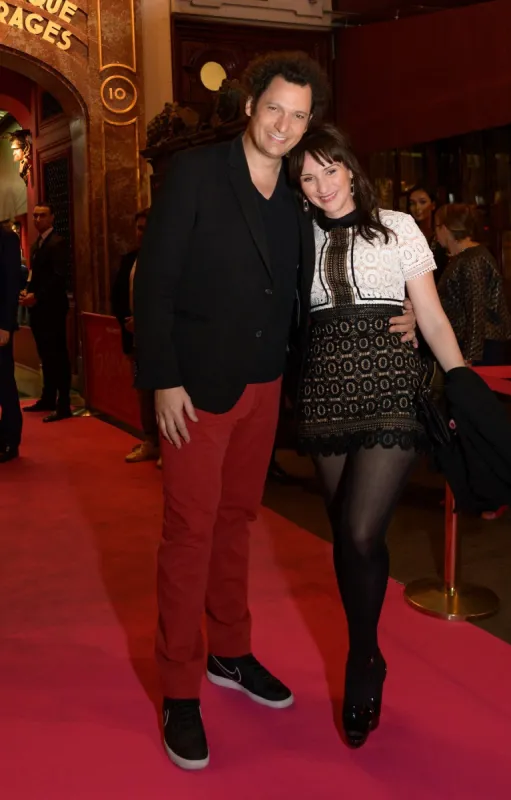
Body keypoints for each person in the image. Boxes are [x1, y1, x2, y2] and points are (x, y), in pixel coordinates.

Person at [135, 51, 417, 771]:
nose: (284, 126)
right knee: (189, 535)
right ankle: (179, 690)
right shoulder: (196, 173)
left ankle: (229, 651)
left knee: (236, 525)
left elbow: (350, 260)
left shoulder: (297, 197)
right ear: (250, 106)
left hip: (265, 386)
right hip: (196, 390)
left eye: (298, 116)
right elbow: (155, 281)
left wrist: (409, 310)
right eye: (274, 110)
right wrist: (163, 379)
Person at [287, 123, 465, 749]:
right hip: (325, 389)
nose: (322, 186)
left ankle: (361, 659)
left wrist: (462, 383)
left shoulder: (397, 226)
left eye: (330, 169)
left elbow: (432, 315)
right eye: (307, 177)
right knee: (346, 537)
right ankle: (368, 650)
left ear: (350, 166)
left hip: (390, 383)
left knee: (362, 531)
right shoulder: (298, 236)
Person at [435, 203, 511, 366]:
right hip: (473, 341)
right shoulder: (463, 257)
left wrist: (470, 356)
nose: (435, 233)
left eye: (436, 226)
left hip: (482, 345)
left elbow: (476, 308)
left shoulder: (473, 259)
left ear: (445, 228)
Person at [111, 209, 160, 464]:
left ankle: (169, 447)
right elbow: (117, 296)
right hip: (136, 341)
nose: (142, 234)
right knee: (143, 392)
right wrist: (126, 322)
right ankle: (150, 441)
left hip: (162, 342)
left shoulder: (168, 259)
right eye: (139, 228)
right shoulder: (130, 259)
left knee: (163, 392)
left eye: (147, 228)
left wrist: (146, 322)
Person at [21, 203, 72, 422]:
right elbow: (36, 275)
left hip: (53, 308)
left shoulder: (57, 243)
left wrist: (38, 296)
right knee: (45, 355)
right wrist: (28, 292)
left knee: (57, 355)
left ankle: (63, 404)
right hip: (39, 309)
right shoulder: (37, 245)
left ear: (52, 218)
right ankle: (48, 397)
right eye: (35, 216)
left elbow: (58, 278)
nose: (37, 219)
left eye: (42, 215)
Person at [0, 224, 23, 463]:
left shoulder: (7, 238)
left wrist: (6, 325)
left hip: (0, 325)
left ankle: (10, 439)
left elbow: (10, 285)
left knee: (4, 382)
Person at [407, 184, 448, 278]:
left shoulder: (442, 233)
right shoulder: (407, 235)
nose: (417, 208)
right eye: (412, 203)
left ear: (433, 205)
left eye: (422, 202)